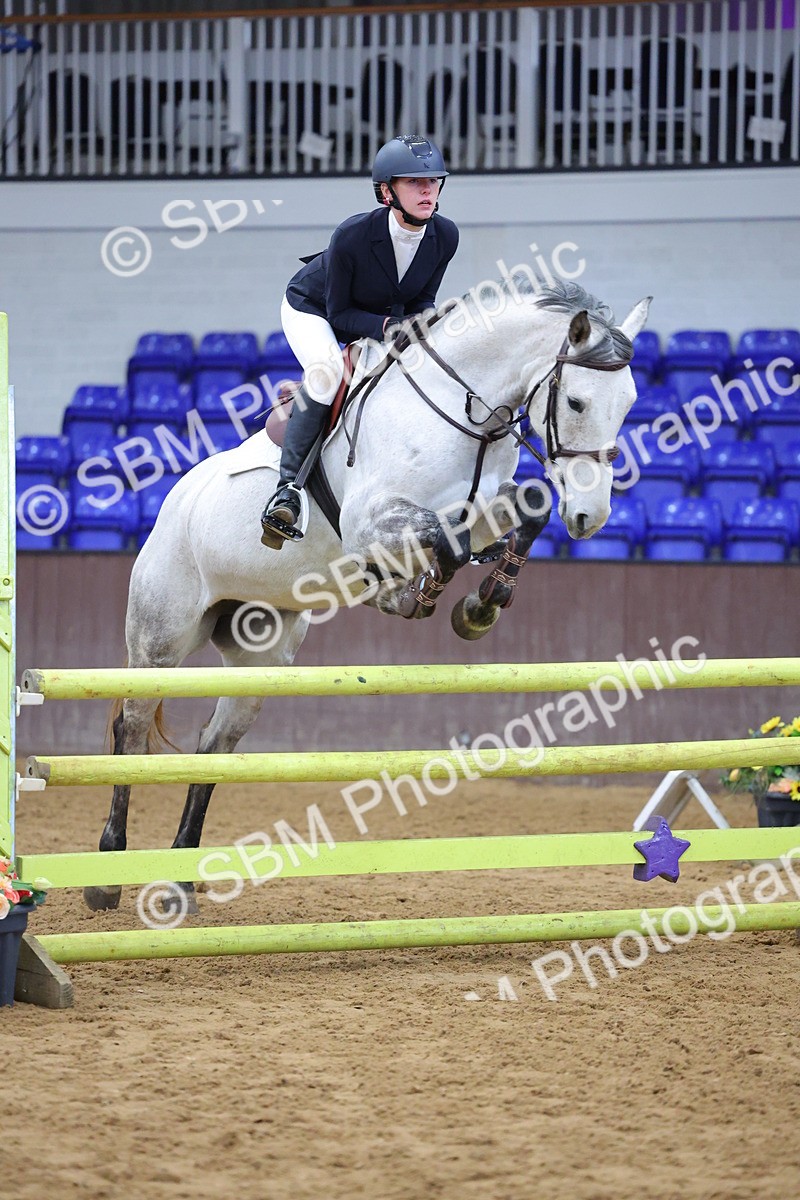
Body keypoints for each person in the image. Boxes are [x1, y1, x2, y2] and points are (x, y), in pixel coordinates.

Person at [260, 133, 459, 548]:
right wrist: (389, 328)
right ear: (387, 191)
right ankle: (287, 490)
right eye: (413, 183)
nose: (427, 190)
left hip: (377, 318)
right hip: (314, 309)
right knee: (329, 373)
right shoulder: (353, 235)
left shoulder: (446, 236)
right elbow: (339, 315)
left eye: (433, 182)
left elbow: (422, 299)